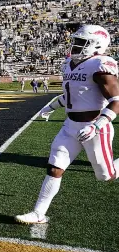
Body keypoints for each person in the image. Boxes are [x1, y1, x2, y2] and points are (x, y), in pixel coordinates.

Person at [15, 25, 119, 224]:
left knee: (107, 176)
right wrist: (51, 107)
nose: (76, 46)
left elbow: (117, 100)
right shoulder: (69, 64)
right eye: (76, 41)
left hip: (95, 128)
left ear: (97, 45)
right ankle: (39, 213)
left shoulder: (100, 64)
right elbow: (72, 94)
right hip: (70, 126)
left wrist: (97, 126)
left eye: (82, 42)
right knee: (55, 168)